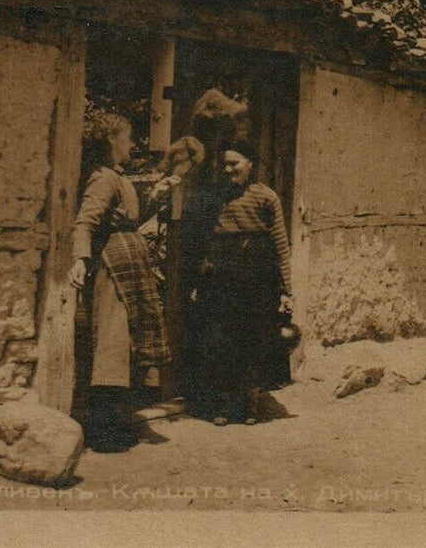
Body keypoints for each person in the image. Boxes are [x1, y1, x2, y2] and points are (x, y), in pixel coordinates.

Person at [67, 111, 177, 453]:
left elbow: (128, 219)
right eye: (127, 138)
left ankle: (113, 422)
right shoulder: (103, 178)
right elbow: (85, 221)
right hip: (112, 269)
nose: (131, 144)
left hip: (126, 265)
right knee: (111, 347)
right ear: (111, 141)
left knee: (122, 346)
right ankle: (102, 431)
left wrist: (155, 198)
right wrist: (80, 260)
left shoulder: (117, 177)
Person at [188, 140, 294, 426]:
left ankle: (249, 405)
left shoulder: (266, 197)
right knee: (221, 339)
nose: (228, 169)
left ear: (250, 164)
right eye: (225, 163)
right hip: (221, 276)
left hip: (256, 276)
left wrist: (287, 289)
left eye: (234, 163)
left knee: (252, 339)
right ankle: (223, 404)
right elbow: (206, 241)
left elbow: (281, 245)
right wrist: (201, 278)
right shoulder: (216, 198)